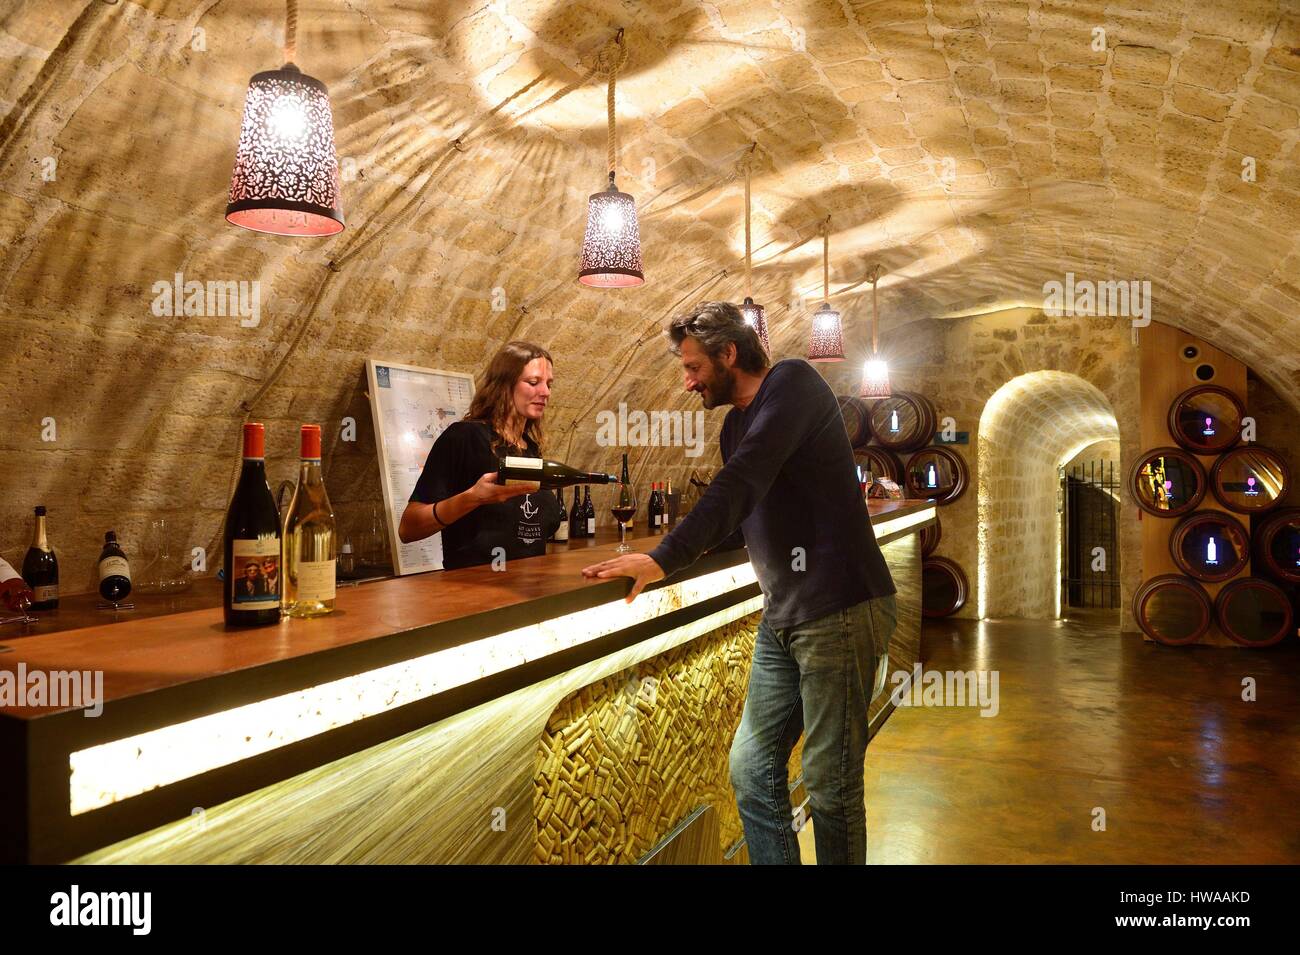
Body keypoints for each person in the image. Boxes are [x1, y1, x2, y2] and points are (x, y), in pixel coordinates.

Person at [582, 301, 897, 865]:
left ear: (729, 353)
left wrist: (664, 558)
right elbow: (746, 508)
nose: (686, 383)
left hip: (842, 609)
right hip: (783, 616)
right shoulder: (734, 424)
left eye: (693, 367)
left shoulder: (794, 383)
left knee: (829, 783)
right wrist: (672, 548)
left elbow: (743, 479)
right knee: (751, 771)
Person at [398, 341, 560, 568]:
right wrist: (474, 497)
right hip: (473, 593)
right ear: (504, 384)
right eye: (533, 382)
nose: (545, 392)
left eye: (548, 384)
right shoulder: (464, 437)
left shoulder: (530, 449)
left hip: (528, 592)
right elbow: (409, 527)